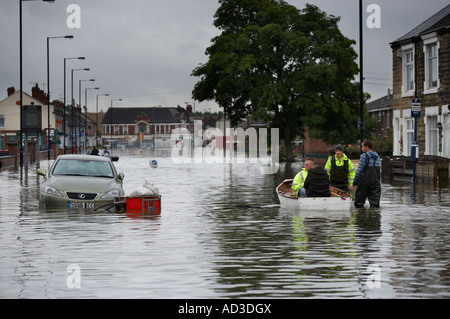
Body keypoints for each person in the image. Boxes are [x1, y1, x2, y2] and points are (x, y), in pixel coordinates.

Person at [350, 140, 381, 208]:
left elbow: (359, 170)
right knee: (375, 204)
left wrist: (354, 183)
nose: (361, 148)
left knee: (359, 203)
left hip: (365, 182)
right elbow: (379, 170)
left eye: (362, 146)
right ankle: (374, 217)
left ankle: (360, 217)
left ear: (367, 147)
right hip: (376, 181)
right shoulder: (377, 157)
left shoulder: (364, 156)